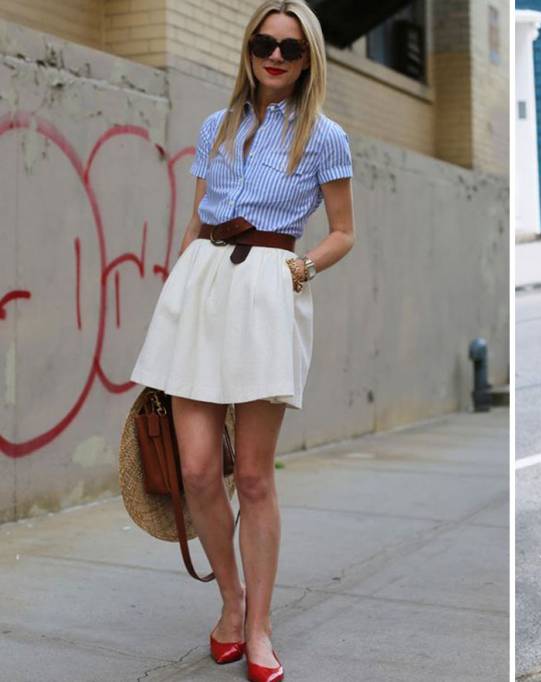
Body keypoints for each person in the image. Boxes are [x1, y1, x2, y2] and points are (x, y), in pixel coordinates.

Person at [129, 1, 354, 680]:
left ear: (308, 57)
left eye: (291, 46)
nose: (276, 55)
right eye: (265, 42)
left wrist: (302, 267)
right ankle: (231, 602)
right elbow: (198, 223)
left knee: (252, 476)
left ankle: (258, 627)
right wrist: (175, 294)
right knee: (197, 469)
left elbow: (344, 231)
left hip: (267, 286)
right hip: (202, 287)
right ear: (249, 48)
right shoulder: (214, 126)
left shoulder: (325, 136)